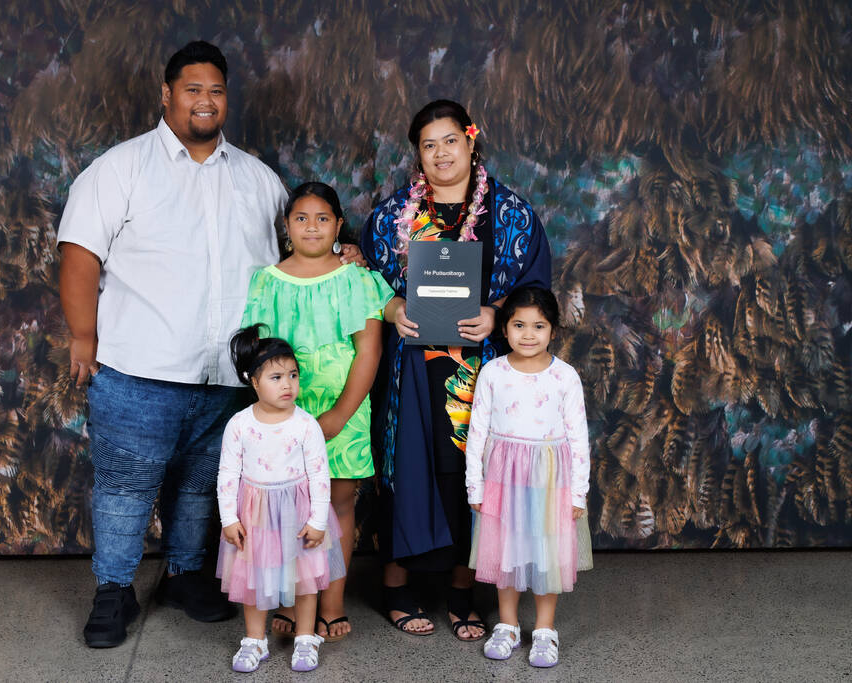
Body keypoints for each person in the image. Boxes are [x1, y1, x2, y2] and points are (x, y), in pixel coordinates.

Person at [57, 41, 362, 647]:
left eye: (216, 91)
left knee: (204, 484)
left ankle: (185, 573)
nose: (205, 100)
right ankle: (114, 590)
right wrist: (83, 336)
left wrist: (340, 256)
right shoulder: (121, 168)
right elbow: (78, 254)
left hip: (228, 376)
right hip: (138, 367)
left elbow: (297, 251)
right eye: (192, 89)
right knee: (125, 487)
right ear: (167, 95)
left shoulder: (257, 178)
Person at [360, 100, 552, 640]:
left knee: (470, 478)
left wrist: (497, 314)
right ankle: (396, 584)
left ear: (471, 141)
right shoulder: (391, 215)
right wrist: (394, 308)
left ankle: (462, 591)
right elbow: (364, 282)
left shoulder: (510, 214)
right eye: (428, 144)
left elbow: (534, 288)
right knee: (409, 469)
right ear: (417, 154)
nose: (441, 153)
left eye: (449, 140)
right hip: (411, 368)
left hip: (483, 368)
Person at [240, 182, 393, 641]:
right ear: (286, 227)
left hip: (342, 414)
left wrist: (340, 416)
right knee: (285, 505)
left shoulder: (357, 279)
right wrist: (280, 415)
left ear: (339, 225)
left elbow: (369, 352)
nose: (312, 227)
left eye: (323, 219)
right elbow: (261, 355)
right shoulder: (266, 280)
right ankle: (291, 598)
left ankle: (331, 600)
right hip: (283, 418)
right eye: (301, 219)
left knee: (337, 504)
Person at [465, 287, 593, 668]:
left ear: (553, 330)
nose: (528, 334)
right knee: (507, 552)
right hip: (504, 478)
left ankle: (544, 630)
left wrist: (578, 494)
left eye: (539, 326)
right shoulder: (492, 372)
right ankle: (506, 625)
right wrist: (477, 483)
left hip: (550, 481)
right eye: (519, 325)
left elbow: (579, 438)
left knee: (545, 553)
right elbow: (478, 432)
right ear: (505, 328)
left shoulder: (565, 377)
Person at [216, 325, 345, 673]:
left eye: (293, 375)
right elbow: (227, 474)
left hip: (299, 511)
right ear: (253, 382)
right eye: (276, 377)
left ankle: (305, 638)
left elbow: (319, 475)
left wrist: (318, 521)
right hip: (255, 514)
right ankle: (254, 641)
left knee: (305, 578)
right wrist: (229, 518)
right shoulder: (239, 425)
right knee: (254, 579)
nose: (287, 384)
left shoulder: (305, 425)